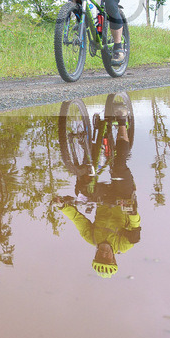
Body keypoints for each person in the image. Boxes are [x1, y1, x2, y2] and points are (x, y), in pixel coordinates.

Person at [54, 101, 140, 278]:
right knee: (118, 166)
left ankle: (89, 152)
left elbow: (77, 219)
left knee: (83, 188)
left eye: (100, 257)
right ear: (114, 258)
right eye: (107, 259)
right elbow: (135, 230)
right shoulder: (123, 245)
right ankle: (122, 122)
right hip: (123, 198)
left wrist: (63, 206)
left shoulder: (91, 238)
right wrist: (131, 211)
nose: (104, 255)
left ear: (95, 256)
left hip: (104, 198)